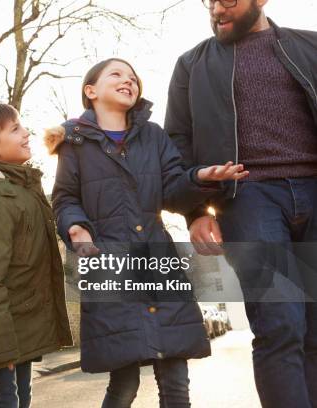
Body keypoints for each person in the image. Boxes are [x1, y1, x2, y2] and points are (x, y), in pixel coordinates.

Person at [47, 58, 248, 408]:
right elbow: (64, 198)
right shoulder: (74, 142)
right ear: (90, 90)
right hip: (108, 263)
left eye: (133, 77)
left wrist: (198, 178)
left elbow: (172, 188)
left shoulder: (153, 135)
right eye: (116, 74)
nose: (128, 80)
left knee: (175, 378)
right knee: (123, 381)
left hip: (158, 259)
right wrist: (76, 228)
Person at [165, 1, 317, 407]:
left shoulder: (310, 47)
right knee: (281, 324)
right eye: (209, 1)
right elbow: (177, 147)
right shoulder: (191, 65)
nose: (216, 8)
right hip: (249, 198)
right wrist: (196, 212)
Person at [0, 103, 73, 408]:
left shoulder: (22, 191)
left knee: (21, 402)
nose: (26, 133)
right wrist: (0, 348)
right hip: (3, 337)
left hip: (22, 331)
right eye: (16, 129)